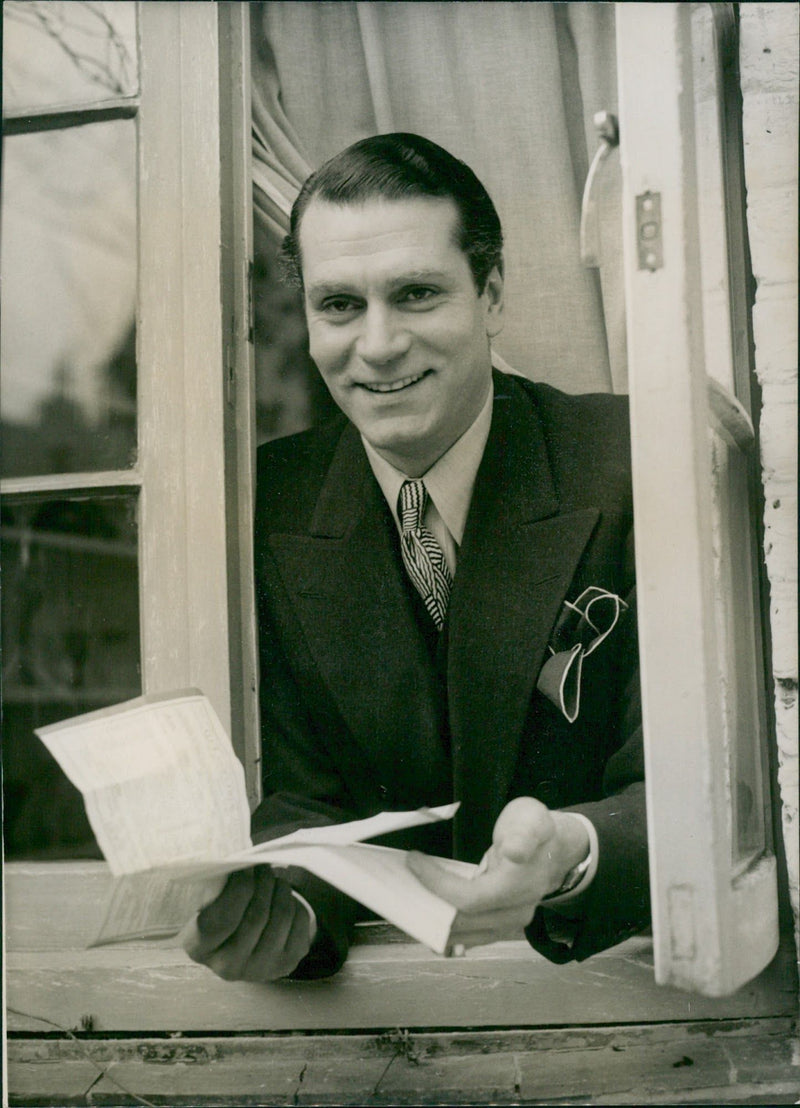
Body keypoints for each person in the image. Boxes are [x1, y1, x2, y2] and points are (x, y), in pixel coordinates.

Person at [182, 133, 649, 983]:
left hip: (610, 989)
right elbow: (304, 798)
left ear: (492, 294)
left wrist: (573, 854)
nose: (380, 343)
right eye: (339, 306)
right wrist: (285, 913)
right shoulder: (264, 503)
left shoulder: (628, 461)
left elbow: (691, 787)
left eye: (416, 293)